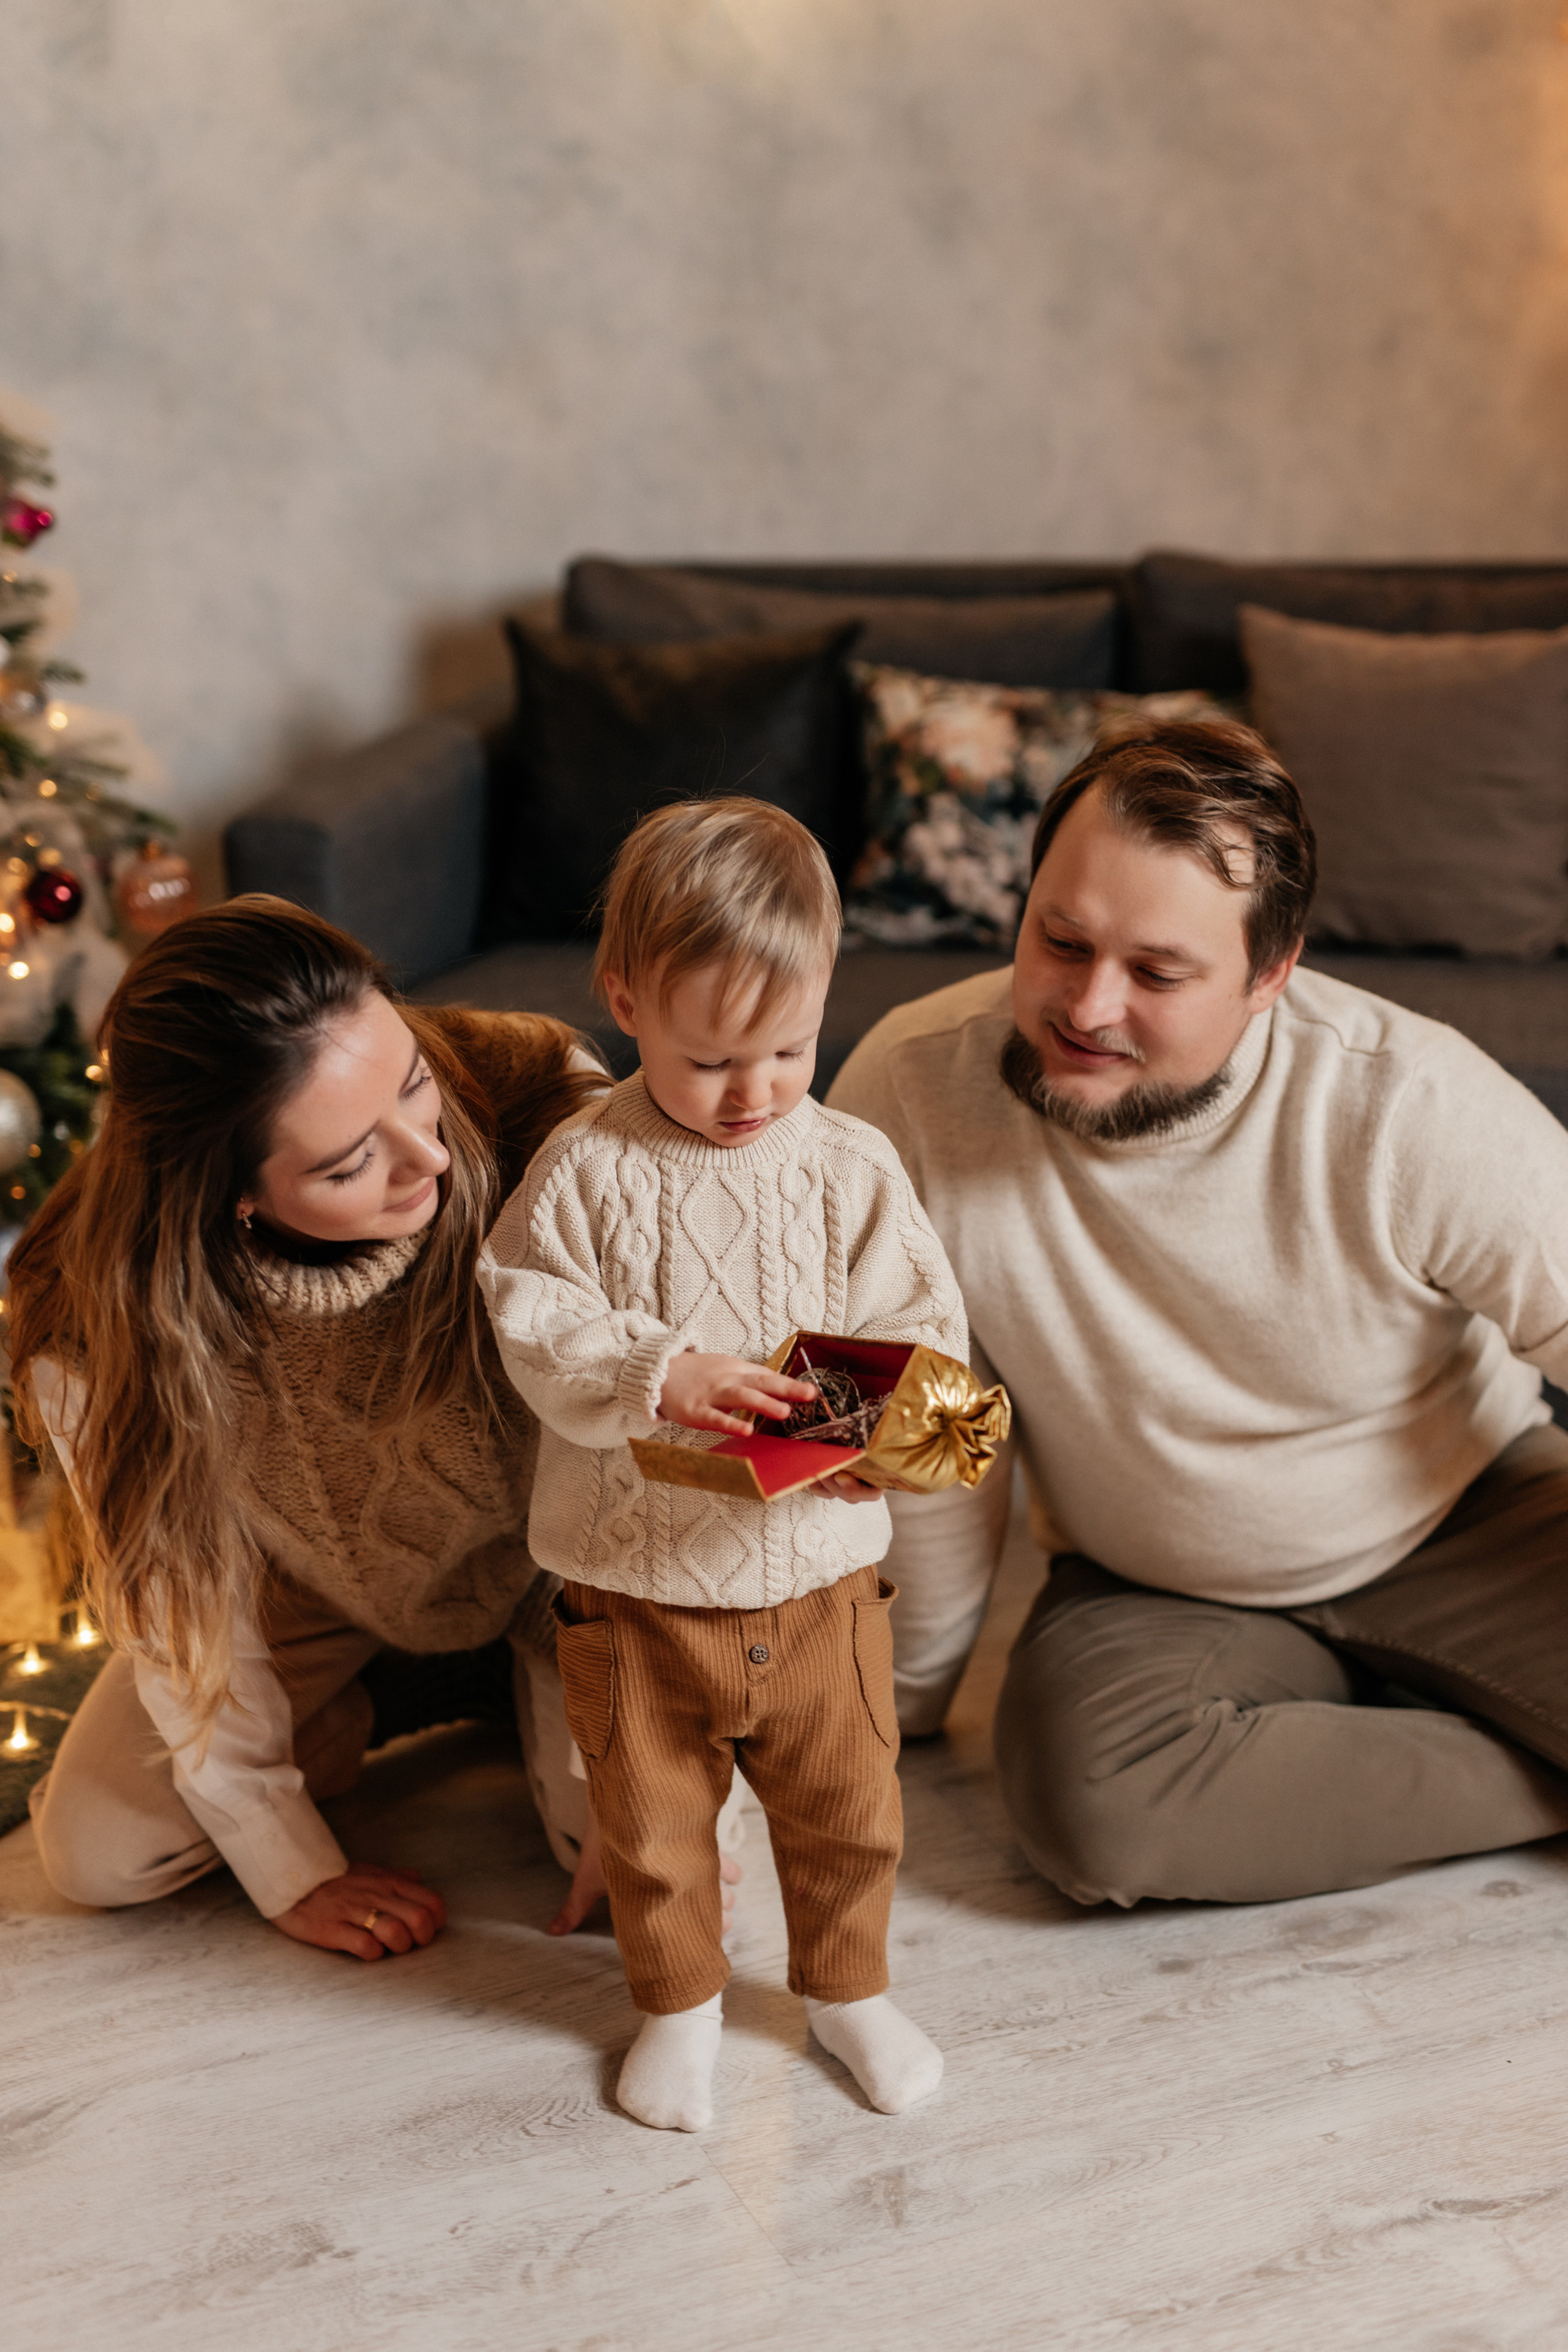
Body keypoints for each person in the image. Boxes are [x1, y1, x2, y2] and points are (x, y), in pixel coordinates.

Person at [830, 718, 1568, 1909]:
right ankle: (1519, 1753)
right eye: (1059, 941)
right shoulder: (906, 1089)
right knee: (1099, 1808)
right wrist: (898, 1705)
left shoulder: (1409, 1100)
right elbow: (933, 1430)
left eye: (1157, 974)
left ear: (1270, 977)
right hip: (1155, 1586)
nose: (1087, 1006)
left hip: (1462, 1518)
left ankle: (1347, 1745)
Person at [11, 895, 627, 1956]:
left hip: (557, 1572)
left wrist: (637, 1754)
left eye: (415, 1083)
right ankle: (388, 1689)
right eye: (347, 1165)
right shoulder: (89, 1311)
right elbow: (177, 1603)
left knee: (635, 1870)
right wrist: (291, 1864)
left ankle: (503, 1679)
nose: (430, 1159)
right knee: (96, 1854)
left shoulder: (545, 1095)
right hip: (308, 1588)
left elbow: (640, 1463)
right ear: (229, 1194)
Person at [478, 797, 967, 2132]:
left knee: (847, 1811)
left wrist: (882, 1441)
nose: (754, 1092)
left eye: (790, 1050)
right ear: (625, 1001)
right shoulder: (584, 1170)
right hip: (634, 1596)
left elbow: (926, 1333)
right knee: (651, 1827)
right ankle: (679, 2007)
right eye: (711, 1060)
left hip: (819, 1584)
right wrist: (659, 1371)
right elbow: (528, 1317)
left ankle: (849, 1991)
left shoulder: (850, 1166)